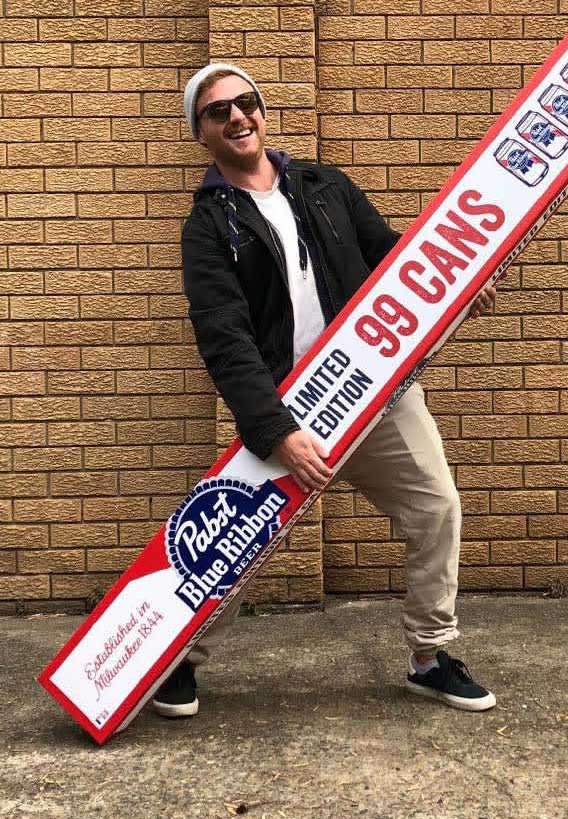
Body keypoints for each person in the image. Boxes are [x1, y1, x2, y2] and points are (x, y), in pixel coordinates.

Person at [155, 62, 498, 717]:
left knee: (437, 509)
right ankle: (178, 661)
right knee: (236, 541)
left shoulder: (323, 184)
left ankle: (428, 658)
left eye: (245, 103)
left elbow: (389, 253)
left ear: (261, 112)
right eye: (217, 110)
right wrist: (276, 429)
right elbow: (224, 338)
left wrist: (456, 287)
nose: (236, 117)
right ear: (200, 133)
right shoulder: (207, 227)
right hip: (289, 408)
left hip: (374, 389)